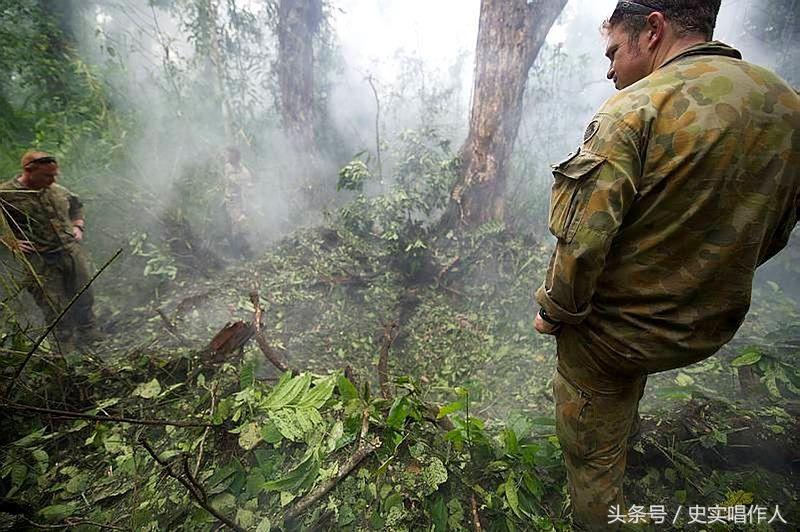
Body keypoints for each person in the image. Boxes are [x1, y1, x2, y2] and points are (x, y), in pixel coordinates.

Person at [532, 1, 799, 529]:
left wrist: (554, 312)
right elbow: (778, 223)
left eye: (613, 52)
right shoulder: (787, 105)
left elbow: (582, 246)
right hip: (708, 325)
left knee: (593, 462)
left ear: (652, 30)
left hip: (617, 337)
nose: (609, 70)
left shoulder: (634, 109)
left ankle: (601, 503)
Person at [0, 151, 99, 347]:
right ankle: (65, 348)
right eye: (47, 175)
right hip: (40, 259)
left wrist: (78, 225)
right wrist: (8, 240)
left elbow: (76, 205)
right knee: (54, 306)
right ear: (29, 171)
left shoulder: (57, 190)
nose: (53, 179)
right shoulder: (6, 194)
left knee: (83, 293)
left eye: (55, 175)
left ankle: (91, 336)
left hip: (70, 251)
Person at [221, 146, 256, 258]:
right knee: (224, 228)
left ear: (236, 156)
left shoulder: (244, 173)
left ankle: (241, 255)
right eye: (227, 154)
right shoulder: (227, 167)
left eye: (229, 154)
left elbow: (247, 193)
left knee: (237, 229)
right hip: (227, 202)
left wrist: (244, 211)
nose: (227, 156)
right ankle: (233, 252)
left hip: (238, 205)